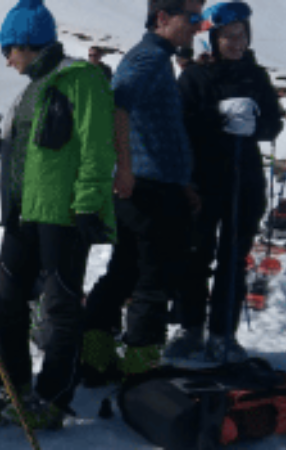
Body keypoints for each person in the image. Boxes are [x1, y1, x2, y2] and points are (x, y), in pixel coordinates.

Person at [0, 0, 117, 430]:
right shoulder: (31, 88)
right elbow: (36, 152)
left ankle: (53, 397)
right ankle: (17, 384)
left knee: (59, 307)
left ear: (27, 42)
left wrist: (88, 202)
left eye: (9, 50)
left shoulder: (82, 79)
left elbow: (97, 146)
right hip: (22, 212)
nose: (7, 60)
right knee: (8, 300)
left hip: (64, 214)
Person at [82, 0, 206, 384]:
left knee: (123, 273)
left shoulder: (156, 57)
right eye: (193, 17)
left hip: (155, 186)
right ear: (163, 18)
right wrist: (127, 168)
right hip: (148, 192)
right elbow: (118, 103)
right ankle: (140, 366)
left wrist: (181, 179)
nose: (198, 26)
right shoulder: (149, 57)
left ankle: (97, 356)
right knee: (154, 278)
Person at [169, 1, 283, 363]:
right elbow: (180, 126)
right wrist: (216, 118)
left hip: (243, 179)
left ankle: (223, 332)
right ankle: (190, 327)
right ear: (213, 39)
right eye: (229, 36)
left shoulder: (256, 75)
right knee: (195, 255)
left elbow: (273, 123)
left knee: (233, 258)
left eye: (242, 35)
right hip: (203, 180)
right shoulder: (194, 78)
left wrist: (257, 125)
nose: (237, 42)